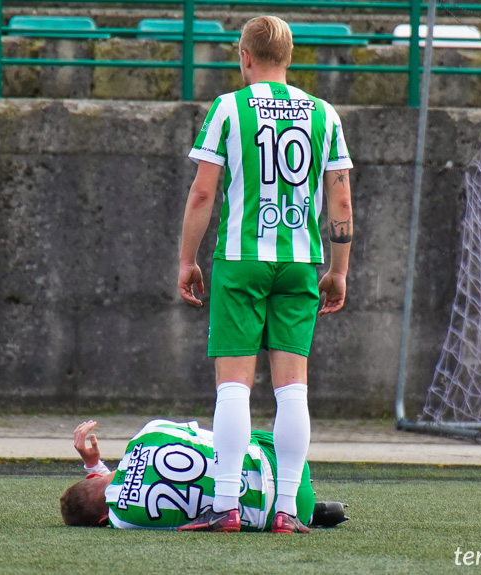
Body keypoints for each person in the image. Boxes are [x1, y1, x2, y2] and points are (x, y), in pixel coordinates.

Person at [176, 15, 353, 533]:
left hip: (241, 258)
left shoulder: (229, 108)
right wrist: (338, 270)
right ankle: (285, 511)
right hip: (301, 260)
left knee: (234, 386)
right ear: (290, 58)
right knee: (291, 387)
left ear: (244, 57)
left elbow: (203, 192)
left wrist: (187, 260)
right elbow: (340, 199)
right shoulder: (324, 113)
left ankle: (226, 505)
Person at [59, 420, 348, 531]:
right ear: (91, 479)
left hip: (276, 513)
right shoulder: (145, 434)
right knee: (226, 443)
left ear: (102, 521)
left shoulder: (123, 520)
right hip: (289, 458)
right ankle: (301, 493)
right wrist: (94, 465)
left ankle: (312, 512)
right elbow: (212, 439)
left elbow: (119, 500)